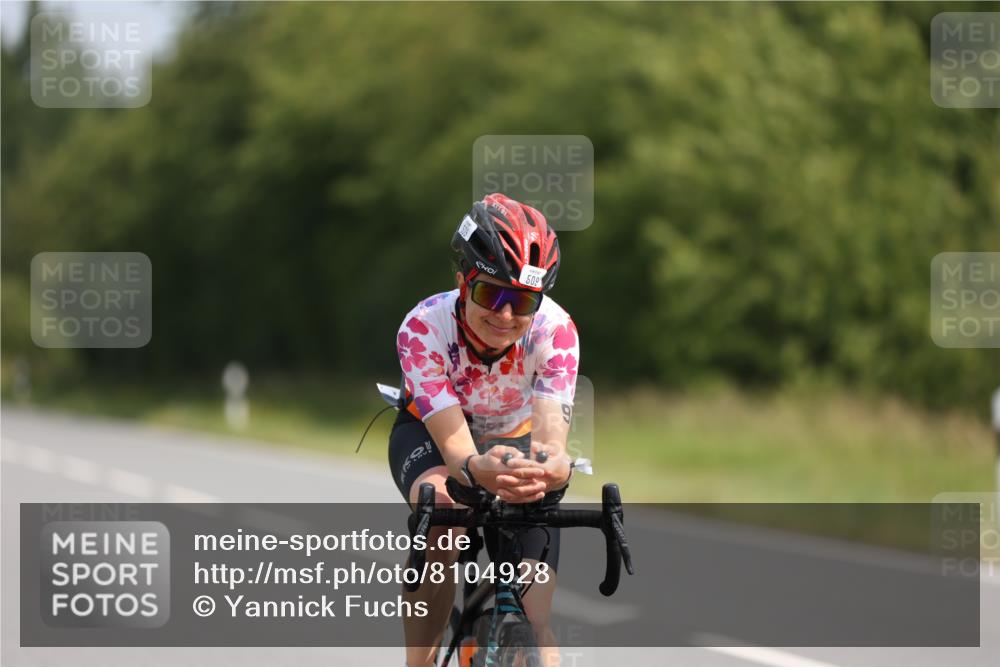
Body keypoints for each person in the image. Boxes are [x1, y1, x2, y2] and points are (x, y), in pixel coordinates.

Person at [388, 192, 580, 667]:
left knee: (536, 616)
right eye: (490, 294)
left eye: (523, 301)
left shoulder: (556, 332)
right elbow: (458, 452)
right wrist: (476, 468)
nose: (506, 315)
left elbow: (551, 444)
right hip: (434, 435)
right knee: (444, 520)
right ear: (462, 282)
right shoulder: (422, 328)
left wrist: (552, 469)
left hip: (515, 435)